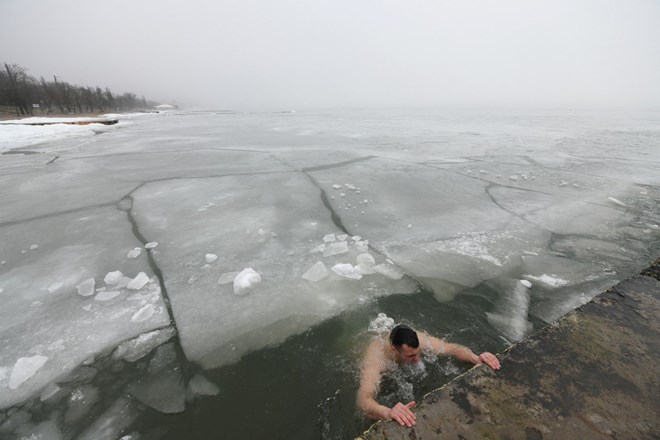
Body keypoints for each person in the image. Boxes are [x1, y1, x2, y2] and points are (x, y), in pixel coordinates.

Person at [356, 323, 501, 427]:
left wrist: (476, 358)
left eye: (418, 353)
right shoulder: (376, 359)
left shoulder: (420, 339)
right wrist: (388, 412)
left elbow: (451, 348)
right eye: (411, 356)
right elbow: (363, 400)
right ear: (394, 350)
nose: (417, 359)